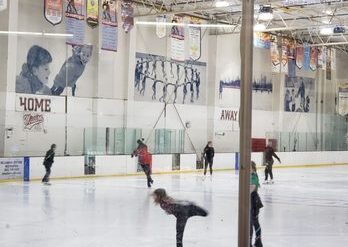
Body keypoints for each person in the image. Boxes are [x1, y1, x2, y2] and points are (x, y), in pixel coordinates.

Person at [250, 161, 263, 247]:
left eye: (249, 168)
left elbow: (252, 187)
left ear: (253, 169)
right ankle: (252, 241)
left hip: (254, 202)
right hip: (250, 201)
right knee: (251, 222)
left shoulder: (254, 176)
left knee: (253, 222)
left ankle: (258, 241)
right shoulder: (249, 176)